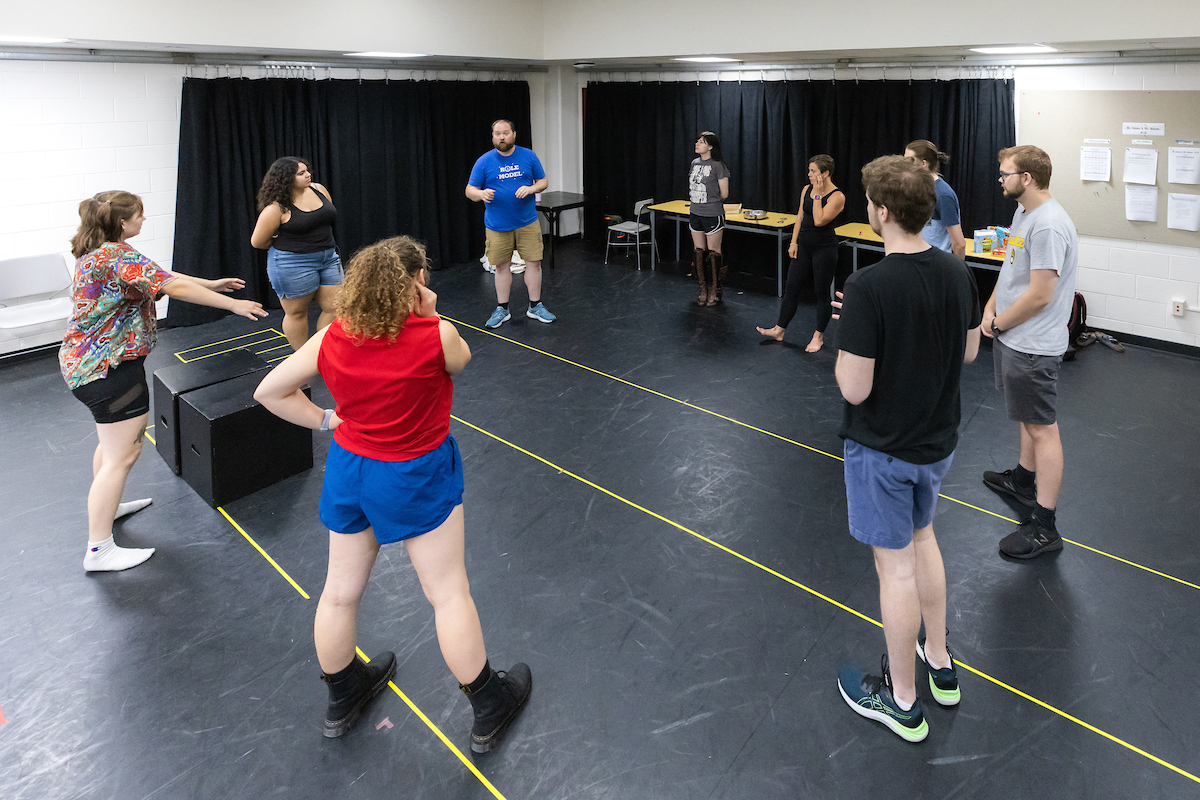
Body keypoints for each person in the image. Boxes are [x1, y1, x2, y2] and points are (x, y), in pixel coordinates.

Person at [254, 236, 532, 749]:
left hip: (350, 471)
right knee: (448, 593)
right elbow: (462, 360)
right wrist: (430, 312)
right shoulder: (436, 334)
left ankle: (342, 695)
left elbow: (267, 391)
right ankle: (488, 702)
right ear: (418, 282)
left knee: (338, 593)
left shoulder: (333, 335)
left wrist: (324, 420)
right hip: (412, 475)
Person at [831, 156, 981, 742]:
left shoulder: (867, 286)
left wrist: (849, 336)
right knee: (924, 542)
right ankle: (939, 662)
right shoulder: (957, 273)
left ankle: (902, 701)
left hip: (883, 450)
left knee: (894, 570)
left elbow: (854, 387)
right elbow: (968, 354)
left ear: (882, 212)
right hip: (936, 445)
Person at [61, 191, 267, 573]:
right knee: (123, 455)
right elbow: (172, 287)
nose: (143, 221)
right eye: (139, 216)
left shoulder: (103, 250)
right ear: (123, 222)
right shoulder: (117, 256)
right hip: (109, 370)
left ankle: (109, 505)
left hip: (88, 365)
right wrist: (233, 305)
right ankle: (99, 550)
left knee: (111, 448)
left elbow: (165, 277)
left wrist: (212, 283)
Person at [981, 145, 1078, 560]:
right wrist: (991, 306)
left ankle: (1045, 524)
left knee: (1042, 427)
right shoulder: (1025, 214)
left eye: (1006, 173)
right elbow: (1012, 270)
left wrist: (1000, 322)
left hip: (1032, 344)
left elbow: (1040, 295)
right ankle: (1022, 480)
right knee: (1025, 415)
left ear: (1029, 178)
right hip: (1014, 336)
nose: (1001, 179)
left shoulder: (1050, 225)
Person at [466, 119, 555, 328]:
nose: (501, 137)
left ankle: (535, 306)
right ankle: (502, 309)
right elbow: (469, 190)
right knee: (501, 267)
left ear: (514, 134)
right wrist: (480, 193)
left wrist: (532, 189)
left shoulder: (528, 156)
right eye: (497, 133)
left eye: (505, 133)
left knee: (534, 263)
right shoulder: (484, 161)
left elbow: (543, 181)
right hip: (497, 225)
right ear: (493, 136)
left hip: (527, 223)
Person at [251, 157, 343, 352]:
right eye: (301, 173)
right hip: (292, 263)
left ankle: (321, 352)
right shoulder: (276, 209)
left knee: (335, 308)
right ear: (286, 179)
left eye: (307, 170)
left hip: (328, 257)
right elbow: (258, 241)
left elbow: (326, 217)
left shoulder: (319, 189)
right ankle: (302, 360)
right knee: (298, 314)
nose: (308, 175)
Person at [756, 154, 845, 348]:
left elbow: (819, 220)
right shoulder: (807, 189)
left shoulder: (837, 196)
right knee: (792, 288)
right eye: (809, 170)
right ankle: (779, 329)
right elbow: (800, 217)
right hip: (804, 246)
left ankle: (818, 336)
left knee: (821, 292)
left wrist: (819, 195)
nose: (809, 174)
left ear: (826, 173)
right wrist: (793, 242)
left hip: (824, 249)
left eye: (813, 171)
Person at [687, 131, 731, 306]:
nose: (697, 143)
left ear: (710, 147)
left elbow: (725, 193)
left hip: (712, 213)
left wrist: (711, 201)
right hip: (695, 211)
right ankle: (702, 288)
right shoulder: (694, 163)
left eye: (702, 142)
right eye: (698, 141)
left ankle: (716, 290)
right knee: (699, 250)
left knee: (714, 252)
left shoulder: (718, 165)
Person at [904, 139, 967, 259]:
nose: (905, 165)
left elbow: (959, 244)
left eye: (910, 161)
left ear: (924, 163)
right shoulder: (914, 189)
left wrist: (957, 274)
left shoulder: (943, 195)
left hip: (935, 267)